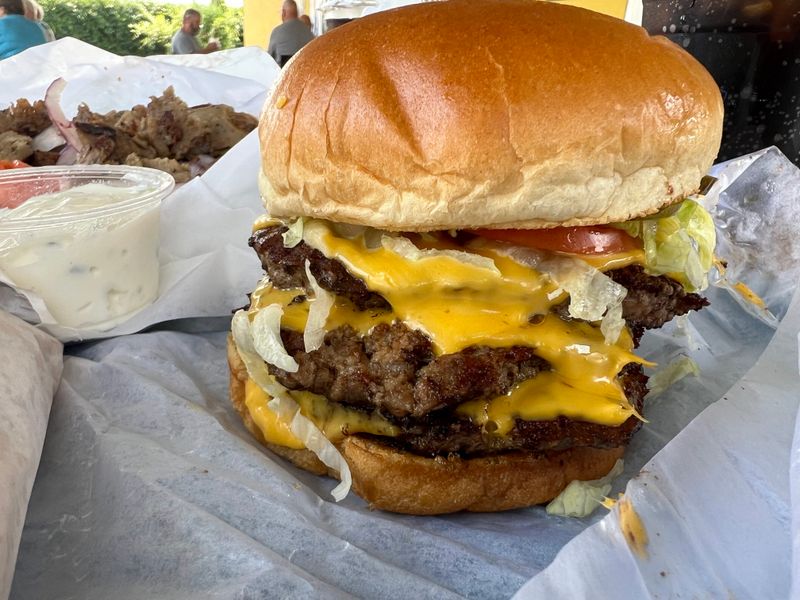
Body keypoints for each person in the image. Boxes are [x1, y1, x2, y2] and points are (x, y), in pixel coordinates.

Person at [267, 0, 315, 67]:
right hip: (305, 74)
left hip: (283, 75)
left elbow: (268, 59)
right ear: (297, 13)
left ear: (283, 12)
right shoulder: (309, 33)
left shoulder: (277, 32)